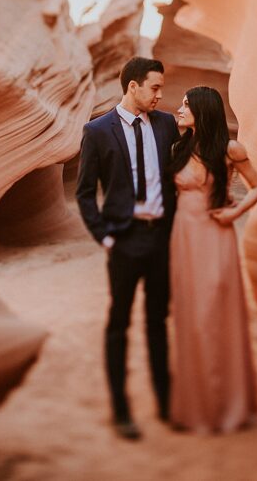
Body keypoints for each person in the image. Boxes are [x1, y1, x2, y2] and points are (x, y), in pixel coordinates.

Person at [75, 57, 180, 441]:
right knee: (119, 323)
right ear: (132, 86)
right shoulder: (98, 130)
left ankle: (166, 403)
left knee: (157, 322)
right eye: (154, 87)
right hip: (123, 239)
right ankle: (121, 410)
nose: (159, 95)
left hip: (160, 238)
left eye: (161, 88)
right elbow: (85, 193)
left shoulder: (168, 124)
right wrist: (105, 236)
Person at [169, 86, 257, 433]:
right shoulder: (180, 148)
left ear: (203, 109)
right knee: (190, 316)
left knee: (215, 312)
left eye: (185, 104)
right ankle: (196, 407)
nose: (179, 109)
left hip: (214, 234)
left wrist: (235, 212)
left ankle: (228, 406)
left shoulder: (230, 149)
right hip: (183, 236)